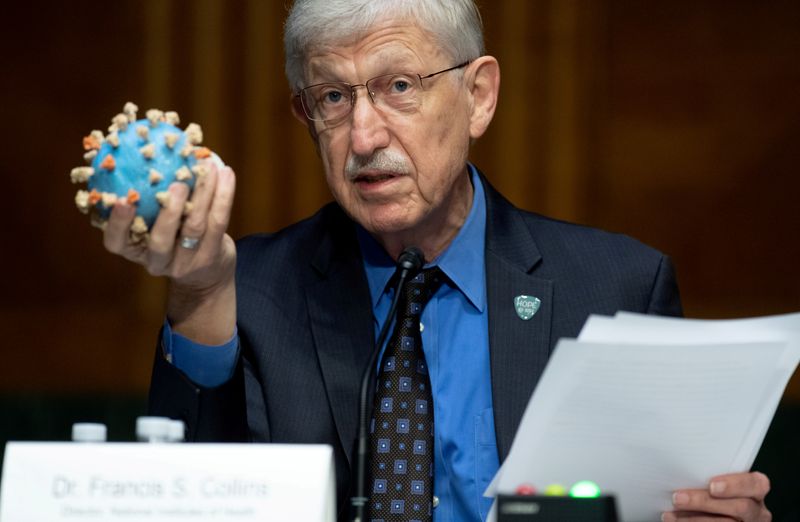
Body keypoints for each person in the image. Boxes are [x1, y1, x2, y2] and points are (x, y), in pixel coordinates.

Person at [102, 1, 771, 521]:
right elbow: (180, 498)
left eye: (398, 86)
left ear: (478, 96)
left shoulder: (617, 287)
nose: (363, 136)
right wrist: (199, 296)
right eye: (333, 98)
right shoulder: (247, 291)